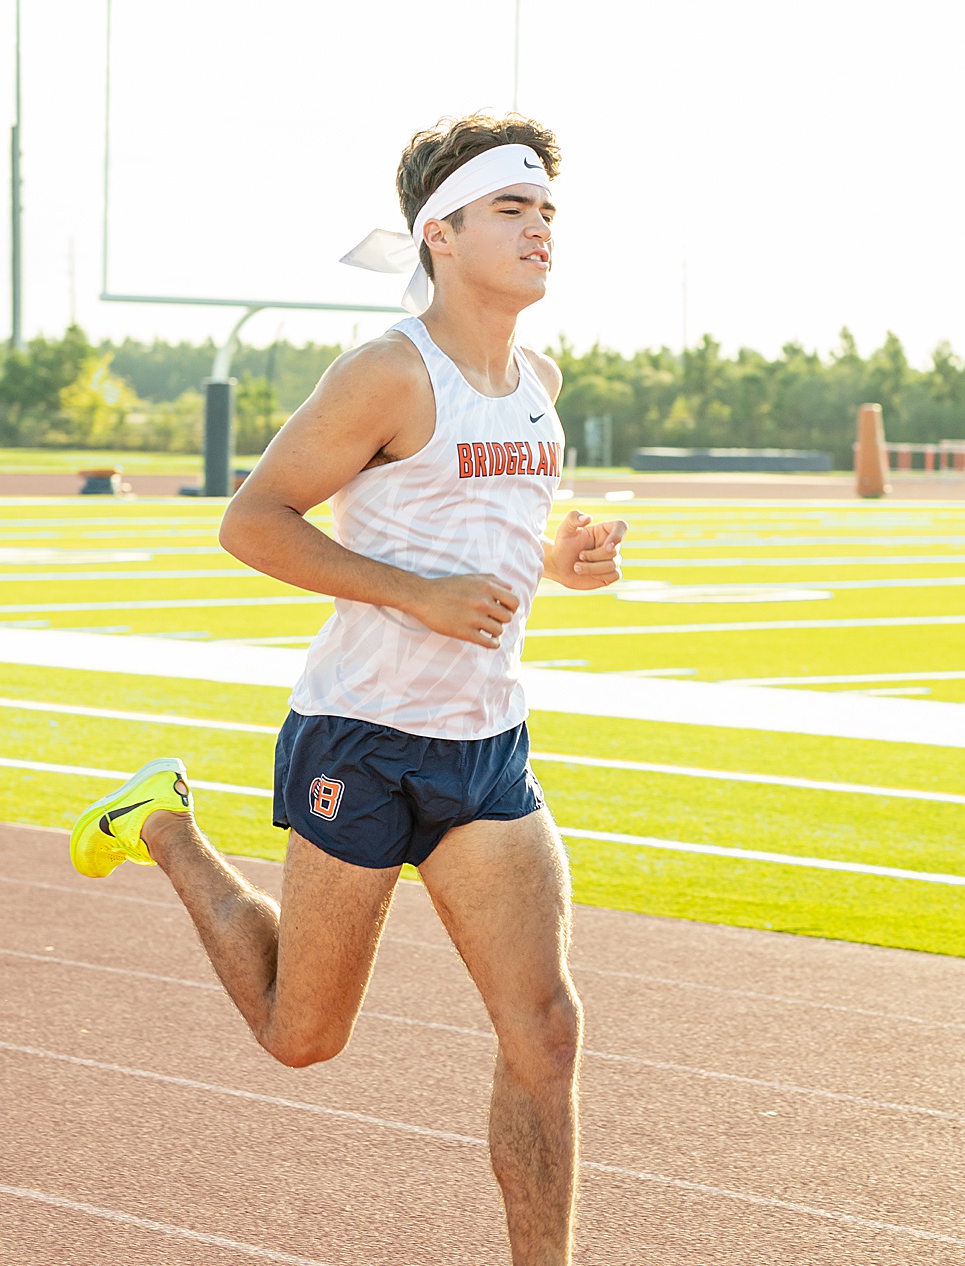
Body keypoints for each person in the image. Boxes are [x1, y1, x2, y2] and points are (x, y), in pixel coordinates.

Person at [67, 114, 627, 1265]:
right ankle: (162, 826)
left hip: (485, 751)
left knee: (547, 1031)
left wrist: (561, 567)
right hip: (362, 742)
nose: (540, 232)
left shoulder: (539, 380)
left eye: (547, 213)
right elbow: (251, 521)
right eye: (512, 212)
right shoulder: (386, 371)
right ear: (442, 233)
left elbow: (490, 549)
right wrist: (410, 594)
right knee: (301, 1034)